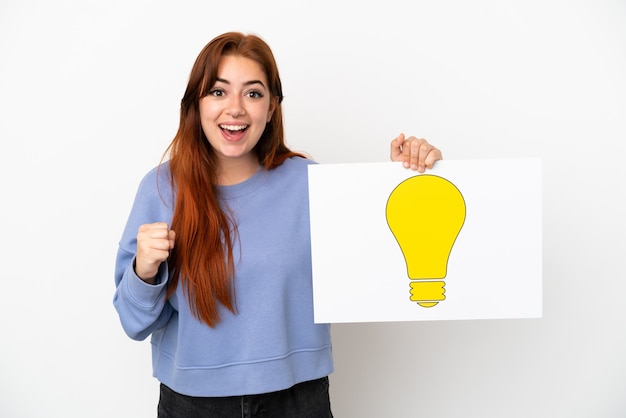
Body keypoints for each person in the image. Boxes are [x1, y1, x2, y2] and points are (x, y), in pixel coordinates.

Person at [113, 31, 442, 418]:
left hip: (297, 399)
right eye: (218, 92)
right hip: (192, 403)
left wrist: (407, 179)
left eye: (253, 93)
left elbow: (382, 259)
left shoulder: (310, 183)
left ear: (271, 108)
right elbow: (133, 323)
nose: (235, 108)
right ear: (196, 103)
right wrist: (144, 271)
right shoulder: (160, 188)